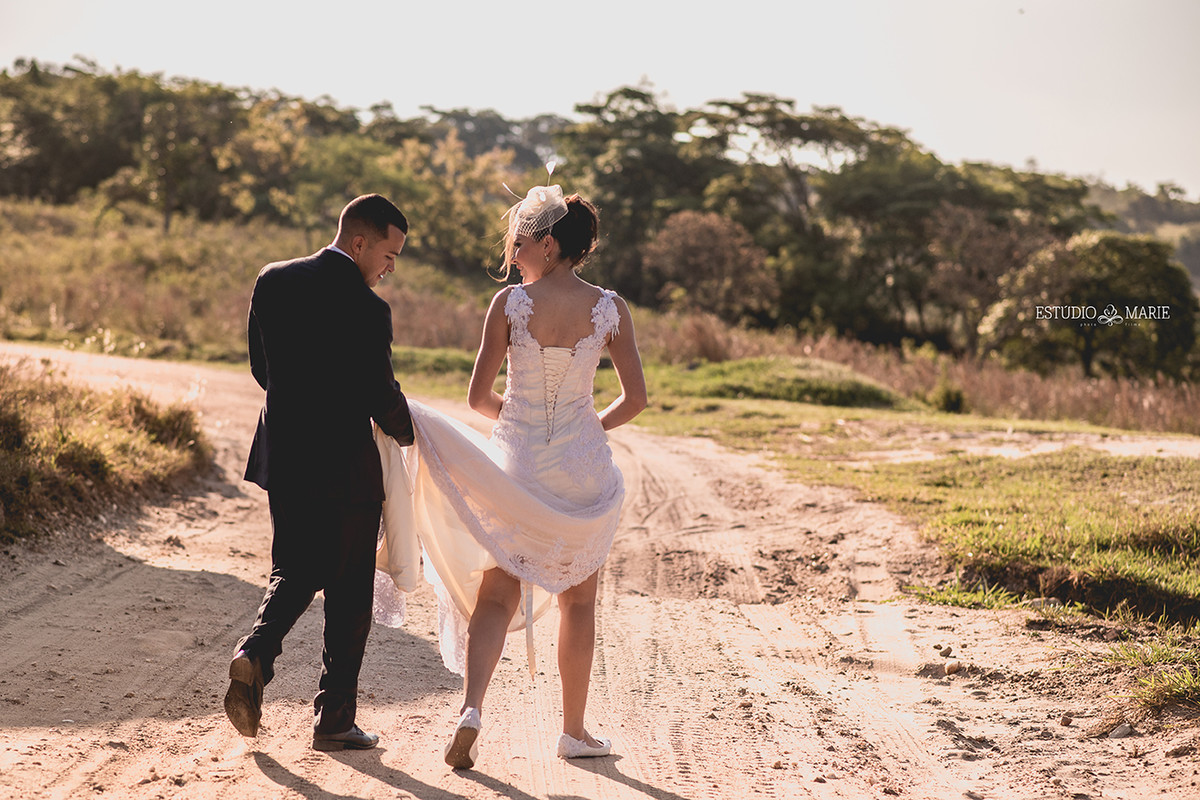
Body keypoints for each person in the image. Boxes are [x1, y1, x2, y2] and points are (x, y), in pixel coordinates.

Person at [372, 182, 646, 769]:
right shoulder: (609, 308)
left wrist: (522, 421)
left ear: (548, 244)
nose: (512, 250)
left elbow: (478, 397)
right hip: (582, 466)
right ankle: (573, 731)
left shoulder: (510, 305)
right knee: (580, 600)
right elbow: (635, 399)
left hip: (518, 462)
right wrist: (586, 426)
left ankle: (471, 708)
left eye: (520, 240)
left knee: (497, 594)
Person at [225, 193, 416, 752]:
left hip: (284, 456)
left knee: (295, 566)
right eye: (388, 254)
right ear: (360, 242)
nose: (390, 267)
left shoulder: (272, 279)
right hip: (346, 467)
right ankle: (334, 720)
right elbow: (381, 393)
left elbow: (262, 370)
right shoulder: (368, 308)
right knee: (351, 590)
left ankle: (255, 652)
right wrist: (410, 433)